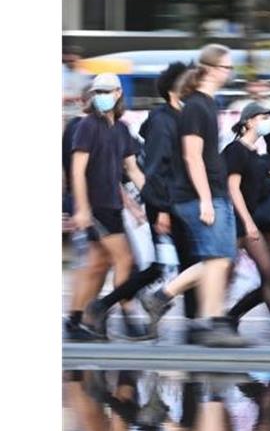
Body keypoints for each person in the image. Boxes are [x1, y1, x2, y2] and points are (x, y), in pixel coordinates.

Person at [80, 62, 200, 341]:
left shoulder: (175, 119)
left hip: (173, 202)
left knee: (182, 262)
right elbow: (154, 170)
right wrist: (159, 209)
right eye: (190, 84)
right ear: (175, 89)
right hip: (162, 205)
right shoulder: (161, 121)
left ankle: (188, 324)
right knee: (168, 264)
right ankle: (100, 308)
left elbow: (138, 170)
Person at [138, 44, 248, 347]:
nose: (230, 72)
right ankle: (209, 320)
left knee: (221, 259)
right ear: (211, 69)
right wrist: (204, 198)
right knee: (216, 259)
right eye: (227, 67)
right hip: (202, 194)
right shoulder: (197, 106)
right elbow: (191, 156)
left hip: (212, 191)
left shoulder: (206, 105)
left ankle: (177, 303)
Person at [65, 73, 151, 342]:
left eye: (106, 91)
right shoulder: (88, 126)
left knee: (97, 264)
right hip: (97, 206)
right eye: (97, 91)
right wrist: (81, 208)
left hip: (112, 204)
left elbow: (131, 170)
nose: (101, 96)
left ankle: (76, 320)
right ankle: (121, 313)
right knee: (125, 259)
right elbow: (77, 171)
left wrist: (154, 200)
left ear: (118, 93)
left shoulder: (121, 129)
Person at [221, 102, 270, 341]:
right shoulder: (235, 150)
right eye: (263, 117)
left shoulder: (254, 154)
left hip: (248, 222)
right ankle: (213, 319)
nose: (266, 121)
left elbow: (256, 188)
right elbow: (233, 189)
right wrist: (248, 223)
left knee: (269, 270)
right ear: (249, 121)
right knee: (221, 273)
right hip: (236, 222)